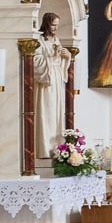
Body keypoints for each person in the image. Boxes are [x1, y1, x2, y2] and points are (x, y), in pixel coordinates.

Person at [34, 12, 71, 158]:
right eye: (53, 24)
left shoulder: (56, 39)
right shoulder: (38, 40)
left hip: (57, 79)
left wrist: (66, 57)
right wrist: (53, 58)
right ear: (46, 24)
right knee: (47, 112)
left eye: (57, 25)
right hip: (46, 82)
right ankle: (45, 149)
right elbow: (35, 62)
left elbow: (60, 61)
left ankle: (57, 149)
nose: (55, 28)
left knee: (57, 114)